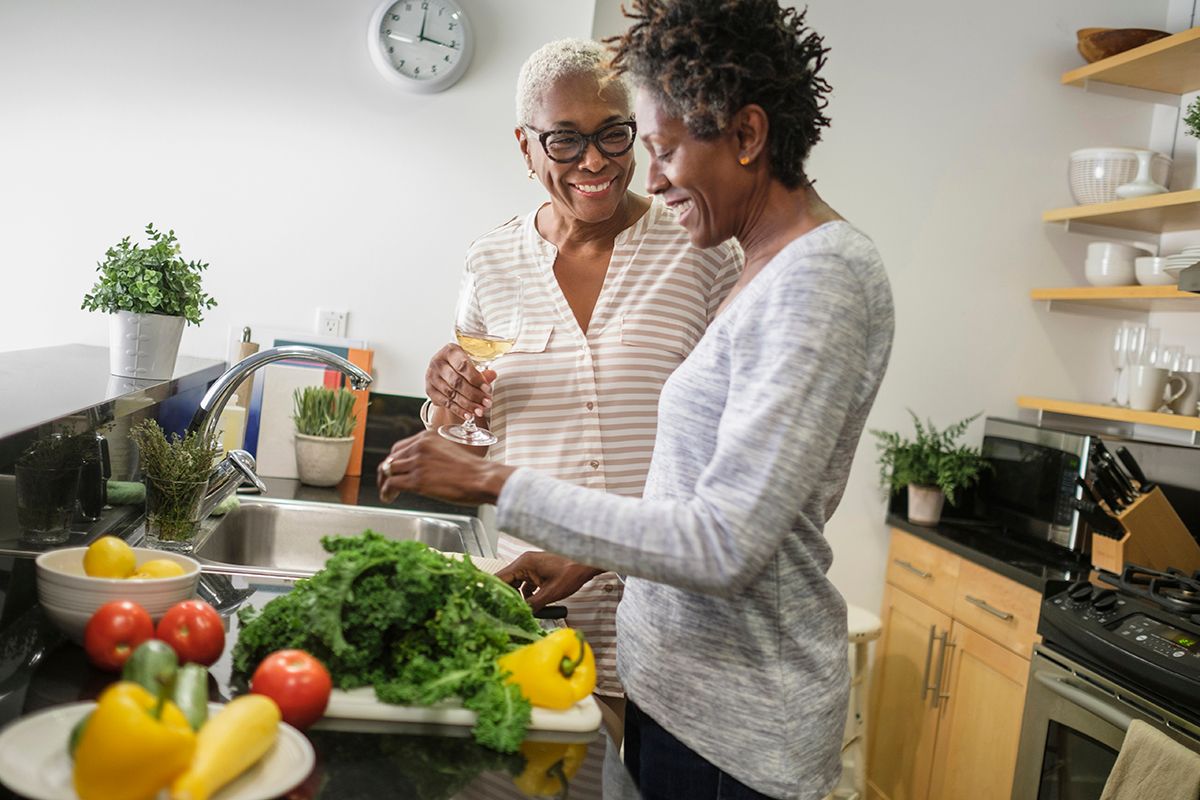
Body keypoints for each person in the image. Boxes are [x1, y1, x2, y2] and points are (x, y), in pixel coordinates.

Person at [382, 2, 895, 798]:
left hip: (739, 722)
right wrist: (583, 555)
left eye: (655, 147)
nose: (646, 177)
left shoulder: (818, 278)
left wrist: (493, 482)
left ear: (748, 136)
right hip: (679, 695)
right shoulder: (767, 265)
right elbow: (701, 483)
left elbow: (725, 543)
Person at [420, 37, 742, 739]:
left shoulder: (703, 249)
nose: (593, 162)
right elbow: (465, 430)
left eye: (612, 135)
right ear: (526, 146)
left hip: (668, 613)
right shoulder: (493, 260)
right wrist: (448, 397)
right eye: (564, 141)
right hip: (531, 606)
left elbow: (733, 443)